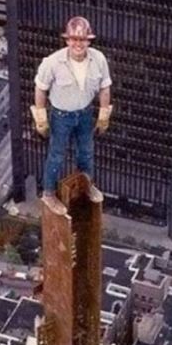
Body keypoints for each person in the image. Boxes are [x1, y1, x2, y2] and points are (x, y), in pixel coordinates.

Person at [31, 16, 112, 211]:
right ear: (67, 40)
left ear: (88, 40)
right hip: (61, 117)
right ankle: (49, 193)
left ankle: (86, 186)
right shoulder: (53, 62)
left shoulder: (98, 59)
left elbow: (105, 88)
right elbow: (40, 89)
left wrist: (103, 114)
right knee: (57, 155)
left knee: (86, 153)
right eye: (74, 39)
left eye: (82, 39)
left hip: (85, 114)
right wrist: (41, 119)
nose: (78, 44)